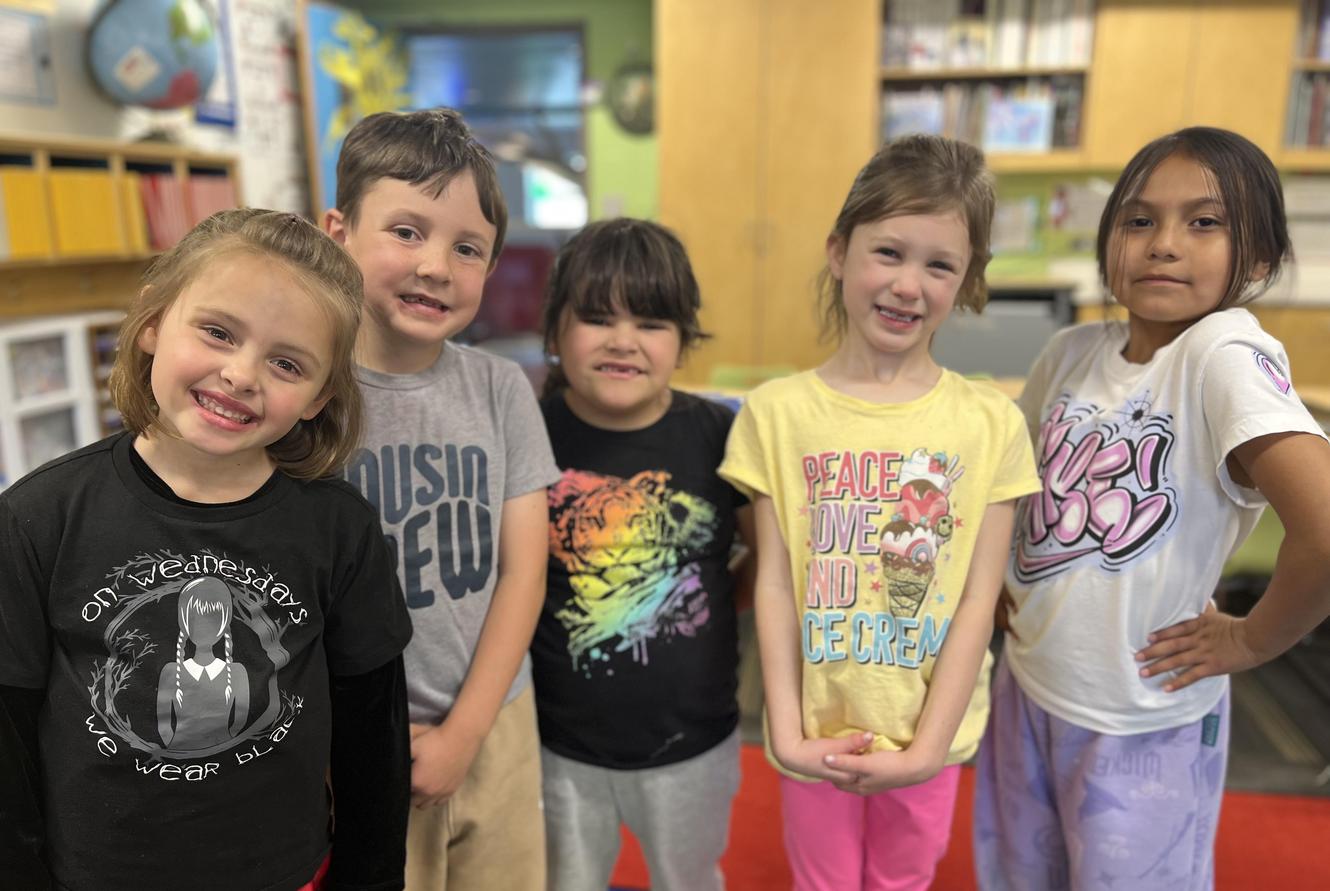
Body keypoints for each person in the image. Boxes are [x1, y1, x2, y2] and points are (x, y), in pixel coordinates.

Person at [0, 208, 414, 891]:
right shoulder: (38, 517)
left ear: (319, 396)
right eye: (218, 332)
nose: (241, 374)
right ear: (154, 322)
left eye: (287, 362)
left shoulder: (338, 527)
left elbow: (375, 738)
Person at [974, 127, 1330, 890]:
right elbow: (1017, 482)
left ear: (1260, 259)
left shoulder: (1222, 355)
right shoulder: (1069, 351)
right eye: (1138, 220)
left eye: (1205, 222)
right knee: (1018, 874)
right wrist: (1001, 581)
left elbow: (1326, 530)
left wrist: (1253, 639)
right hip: (1031, 685)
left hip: (1143, 718)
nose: (1163, 244)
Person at [718, 135, 1041, 890]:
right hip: (815, 732)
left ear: (966, 282)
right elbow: (773, 584)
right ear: (839, 252)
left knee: (903, 880)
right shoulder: (775, 414)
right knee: (822, 881)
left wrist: (928, 746)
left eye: (940, 265)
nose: (908, 285)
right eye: (888, 252)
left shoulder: (992, 424)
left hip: (929, 732)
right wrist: (786, 730)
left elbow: (975, 600)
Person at [323, 108, 560, 891]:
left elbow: (525, 572)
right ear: (338, 231)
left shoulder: (499, 389)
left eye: (467, 248)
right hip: (349, 739)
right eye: (406, 231)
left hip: (493, 722)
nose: (436, 266)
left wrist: (466, 731)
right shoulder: (306, 395)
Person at [531, 218, 755, 891]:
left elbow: (763, 560)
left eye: (651, 322)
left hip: (694, 738)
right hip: (557, 741)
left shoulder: (718, 433)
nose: (623, 341)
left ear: (684, 338)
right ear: (555, 331)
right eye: (598, 318)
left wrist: (707, 597)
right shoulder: (527, 433)